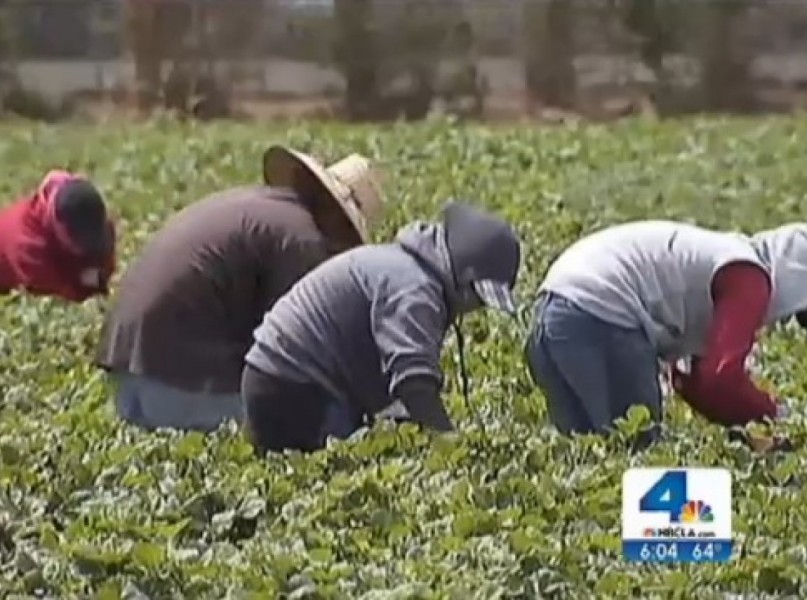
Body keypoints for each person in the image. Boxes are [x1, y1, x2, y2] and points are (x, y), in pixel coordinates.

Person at [95, 145, 385, 433]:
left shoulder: (258, 208)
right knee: (336, 418)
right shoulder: (302, 237)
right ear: (336, 218)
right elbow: (301, 351)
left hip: (127, 385)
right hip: (173, 389)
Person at [241, 200, 521, 455]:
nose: (476, 308)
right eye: (477, 297)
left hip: (272, 379)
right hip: (293, 390)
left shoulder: (401, 265)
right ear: (463, 276)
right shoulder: (413, 288)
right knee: (350, 466)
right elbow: (414, 382)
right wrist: (452, 445)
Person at [525, 219, 807, 446]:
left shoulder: (722, 257)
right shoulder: (748, 277)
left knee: (589, 454)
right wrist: (780, 418)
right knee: (635, 451)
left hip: (551, 319)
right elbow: (719, 379)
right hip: (601, 315)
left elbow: (695, 383)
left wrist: (753, 428)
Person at [0, 169, 116, 302]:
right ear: (60, 228)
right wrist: (93, 282)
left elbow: (105, 253)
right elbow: (67, 295)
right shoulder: (28, 247)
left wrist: (101, 273)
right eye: (79, 243)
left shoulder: (78, 199)